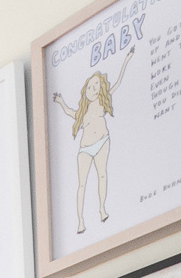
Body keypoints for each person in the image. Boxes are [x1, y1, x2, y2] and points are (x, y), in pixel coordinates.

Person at [49, 54, 128, 236]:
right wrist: (60, 102)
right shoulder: (82, 111)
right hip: (85, 149)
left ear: (100, 90)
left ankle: (102, 209)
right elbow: (69, 112)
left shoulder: (101, 102)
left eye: (96, 87)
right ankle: (80, 221)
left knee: (102, 175)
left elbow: (117, 82)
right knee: (82, 184)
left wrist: (126, 60)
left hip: (102, 141)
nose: (92, 89)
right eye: (90, 86)